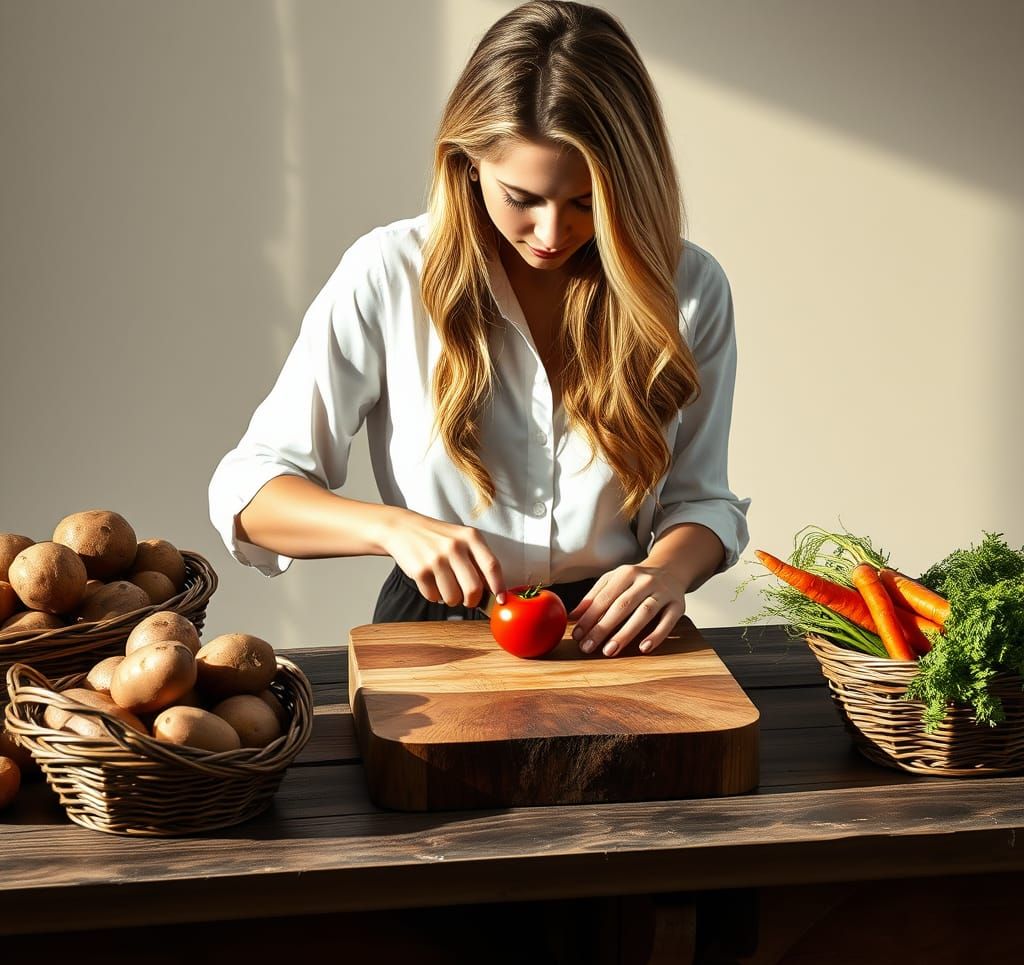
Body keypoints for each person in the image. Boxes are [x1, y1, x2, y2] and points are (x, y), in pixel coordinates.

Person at [208, 0, 750, 658]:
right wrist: (393, 528)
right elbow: (248, 494)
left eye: (586, 202)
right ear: (467, 162)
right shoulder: (388, 272)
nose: (551, 234)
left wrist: (666, 573)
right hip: (431, 638)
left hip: (613, 636)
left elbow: (703, 502)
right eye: (521, 199)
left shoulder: (688, 286)